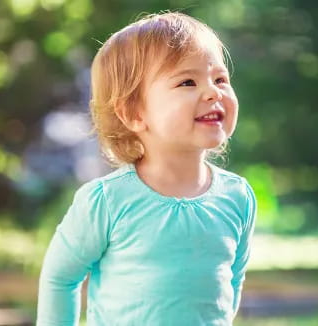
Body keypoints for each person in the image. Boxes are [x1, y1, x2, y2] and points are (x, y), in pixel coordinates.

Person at [36, 11, 257, 326]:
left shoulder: (238, 197)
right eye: (187, 81)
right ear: (134, 114)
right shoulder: (106, 201)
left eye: (220, 78)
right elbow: (60, 278)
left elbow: (232, 281)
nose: (213, 92)